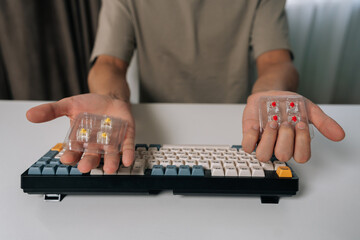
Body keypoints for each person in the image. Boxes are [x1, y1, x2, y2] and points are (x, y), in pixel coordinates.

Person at [26, 0, 345, 174]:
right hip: (156, 128)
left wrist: (271, 94)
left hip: (235, 126)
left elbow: (276, 61)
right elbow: (109, 64)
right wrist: (109, 98)